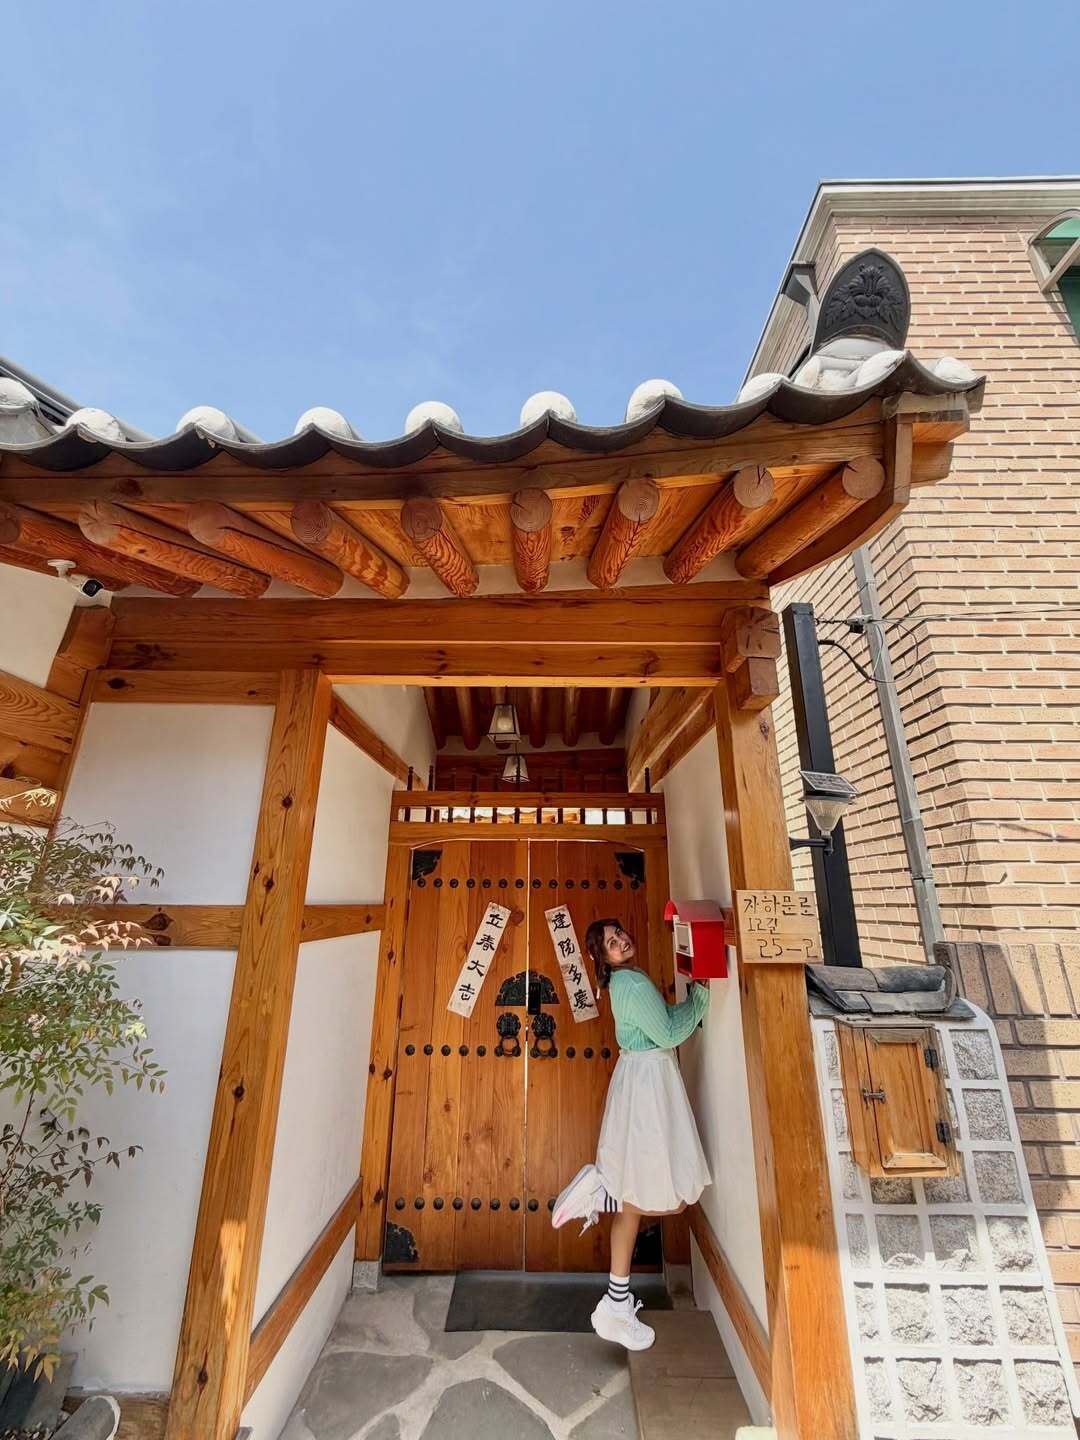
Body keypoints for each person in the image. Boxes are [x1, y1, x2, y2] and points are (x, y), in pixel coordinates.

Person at [550, 918, 711, 1352]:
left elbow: (662, 1026)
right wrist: (701, 996)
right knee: (672, 1194)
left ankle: (615, 1303)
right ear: (602, 959)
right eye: (610, 942)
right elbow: (672, 1032)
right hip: (649, 1084)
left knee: (634, 1205)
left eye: (620, 933)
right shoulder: (632, 985)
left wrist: (692, 998)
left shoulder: (626, 981)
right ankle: (601, 1192)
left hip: (641, 1075)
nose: (621, 941)